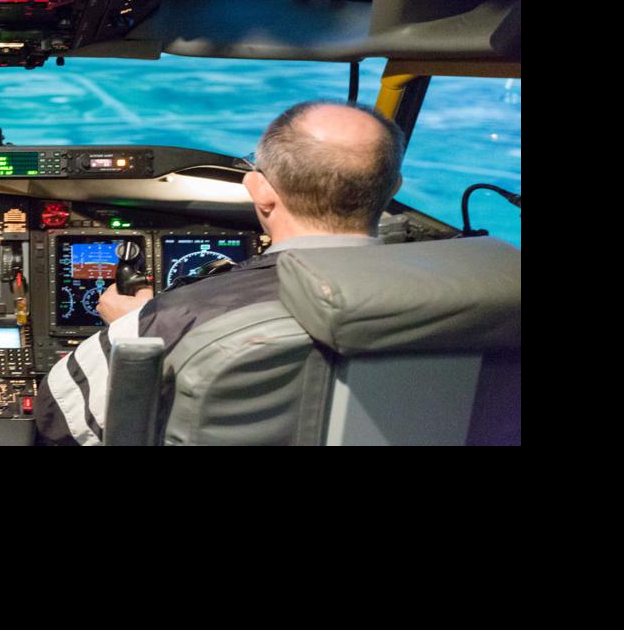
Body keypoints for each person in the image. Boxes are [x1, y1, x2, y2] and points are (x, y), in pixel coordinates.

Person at [33, 100, 407, 446]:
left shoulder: (174, 318)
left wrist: (135, 331)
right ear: (393, 188)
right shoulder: (455, 297)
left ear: (259, 190)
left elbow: (55, 420)